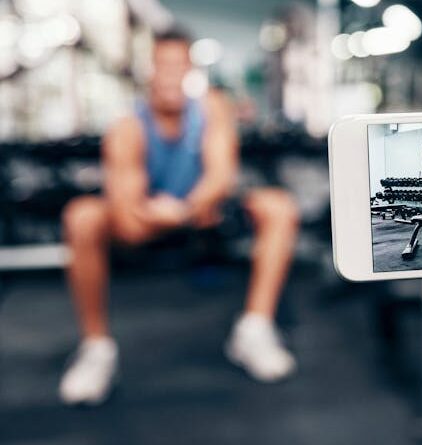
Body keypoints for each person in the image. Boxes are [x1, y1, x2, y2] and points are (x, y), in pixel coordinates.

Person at [58, 28, 299, 405]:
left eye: (179, 64)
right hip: (146, 221)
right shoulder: (128, 127)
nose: (171, 73)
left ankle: (254, 328)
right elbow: (126, 219)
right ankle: (97, 349)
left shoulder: (211, 106)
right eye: (163, 64)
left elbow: (219, 178)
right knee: (81, 216)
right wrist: (159, 216)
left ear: (190, 69)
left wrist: (185, 210)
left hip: (202, 215)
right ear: (150, 70)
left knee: (278, 206)